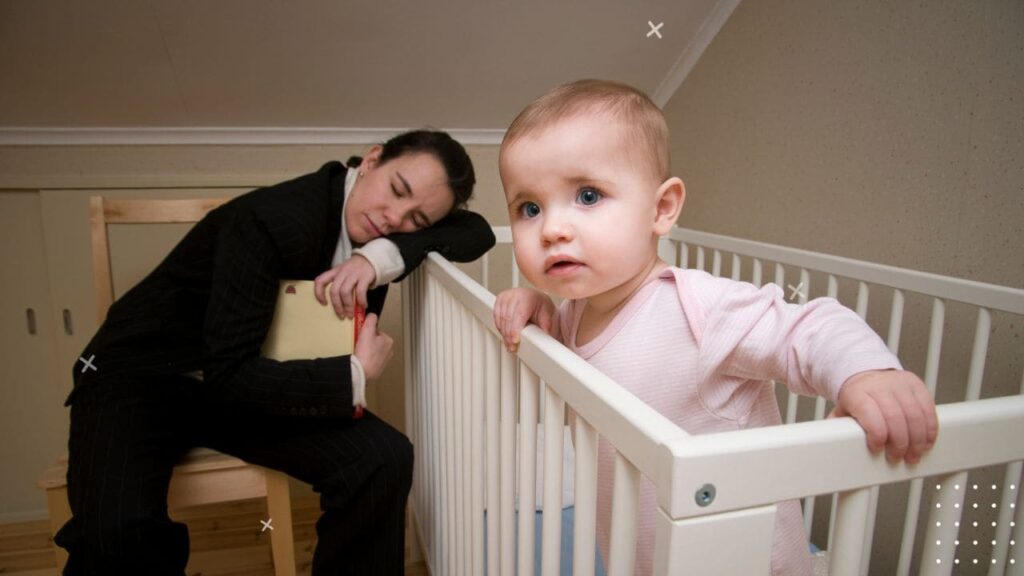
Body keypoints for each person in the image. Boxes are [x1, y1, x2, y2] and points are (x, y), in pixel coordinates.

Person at [492, 80, 938, 576]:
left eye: (588, 195)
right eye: (529, 208)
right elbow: (571, 363)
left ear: (662, 209)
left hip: (741, 557)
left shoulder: (698, 307)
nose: (552, 228)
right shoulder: (575, 314)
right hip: (642, 550)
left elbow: (808, 328)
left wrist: (866, 373)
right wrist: (537, 306)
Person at [57, 129, 496, 576]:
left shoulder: (385, 239)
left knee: (383, 458)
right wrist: (354, 377)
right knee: (116, 532)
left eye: (418, 220)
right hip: (140, 373)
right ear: (372, 159)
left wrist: (379, 256)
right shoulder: (273, 219)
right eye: (396, 189)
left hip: (246, 387)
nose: (394, 217)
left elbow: (476, 232)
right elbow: (229, 374)